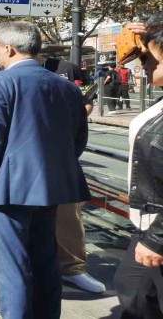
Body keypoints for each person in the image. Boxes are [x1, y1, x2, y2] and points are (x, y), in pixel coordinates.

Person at [0, 22, 90, 319]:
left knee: (10, 268)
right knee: (45, 260)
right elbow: (78, 138)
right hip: (51, 188)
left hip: (6, 191)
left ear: (9, 48)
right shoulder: (67, 87)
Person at [37, 54, 106, 293]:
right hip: (15, 167)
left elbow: (85, 106)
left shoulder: (66, 71)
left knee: (68, 217)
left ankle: (72, 268)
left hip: (60, 160)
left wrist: (67, 156)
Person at [114, 20, 163, 318]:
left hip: (156, 229)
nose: (143, 64)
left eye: (150, 58)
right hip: (148, 222)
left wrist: (156, 240)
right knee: (134, 294)